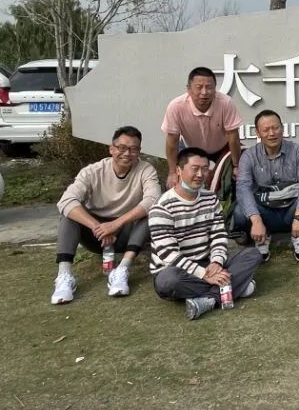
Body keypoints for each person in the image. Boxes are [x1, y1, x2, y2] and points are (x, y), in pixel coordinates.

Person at [51, 126, 162, 304]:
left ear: (139, 151)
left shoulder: (145, 169)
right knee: (69, 214)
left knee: (152, 213)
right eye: (122, 148)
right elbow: (66, 200)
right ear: (111, 149)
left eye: (133, 149)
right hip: (96, 235)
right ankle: (64, 276)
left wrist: (116, 224)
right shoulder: (92, 171)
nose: (127, 153)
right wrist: (97, 226)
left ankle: (122, 269)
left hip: (127, 233)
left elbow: (153, 199)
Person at [149, 147, 261, 320]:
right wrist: (204, 274)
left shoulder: (210, 198)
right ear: (178, 170)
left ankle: (209, 300)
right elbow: (168, 254)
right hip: (175, 269)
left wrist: (216, 261)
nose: (200, 174)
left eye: (205, 169)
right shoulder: (161, 207)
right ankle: (233, 287)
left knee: (252, 254)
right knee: (168, 281)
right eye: (195, 169)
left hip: (207, 261)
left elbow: (218, 235)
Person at [233, 109, 299, 263]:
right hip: (264, 210)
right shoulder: (248, 156)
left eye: (275, 128)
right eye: (266, 130)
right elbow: (243, 188)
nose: (272, 133)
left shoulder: (298, 151)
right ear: (258, 133)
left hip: (291, 209)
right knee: (240, 212)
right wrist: (256, 220)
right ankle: (262, 236)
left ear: (282, 128)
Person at [161, 66, 243, 189]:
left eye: (209, 87)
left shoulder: (226, 103)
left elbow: (233, 137)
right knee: (184, 182)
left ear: (215, 89)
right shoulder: (176, 106)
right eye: (199, 87)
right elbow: (172, 142)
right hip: (191, 148)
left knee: (229, 181)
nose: (204, 92)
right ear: (188, 89)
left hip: (222, 148)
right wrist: (172, 172)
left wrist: (236, 165)